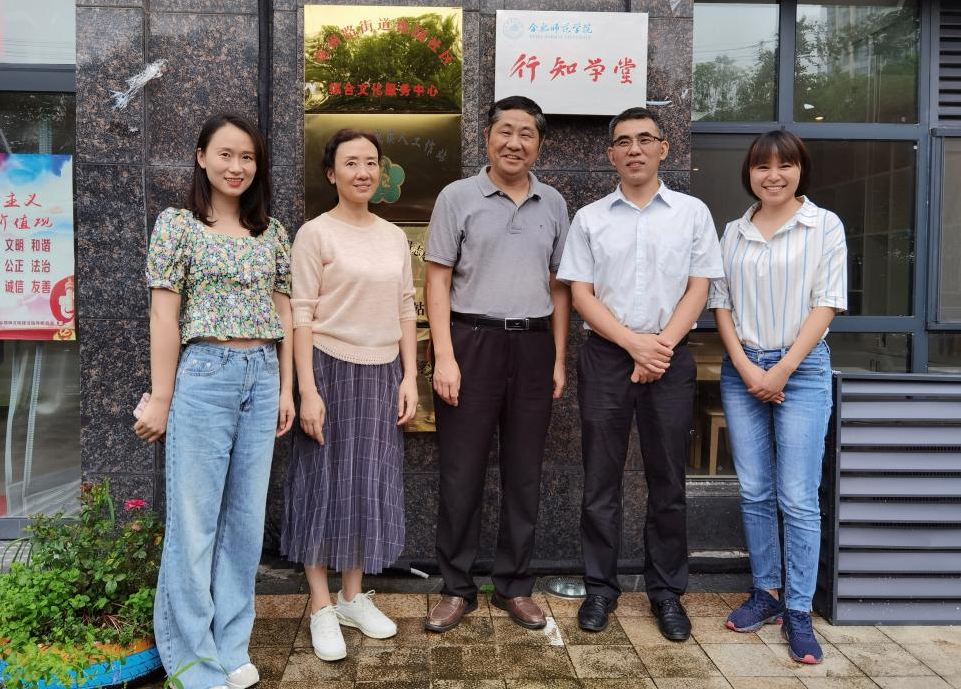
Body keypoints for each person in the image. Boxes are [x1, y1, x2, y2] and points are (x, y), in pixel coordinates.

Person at [135, 112, 295, 689]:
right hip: (204, 375)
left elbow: (284, 312)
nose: (236, 166)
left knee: (245, 523)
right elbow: (164, 314)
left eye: (247, 157)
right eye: (225, 154)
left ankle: (231, 646)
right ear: (202, 157)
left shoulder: (272, 232)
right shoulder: (177, 225)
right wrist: (162, 395)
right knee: (194, 522)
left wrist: (287, 389)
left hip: (262, 375)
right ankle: (190, 660)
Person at [557, 107, 723, 640]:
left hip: (669, 356)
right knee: (600, 482)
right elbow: (580, 293)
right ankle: (599, 590)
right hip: (607, 356)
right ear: (611, 154)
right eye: (624, 141)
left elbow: (700, 286)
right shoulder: (590, 218)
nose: (635, 149)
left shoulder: (692, 213)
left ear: (663, 148)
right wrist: (633, 345)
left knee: (668, 481)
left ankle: (667, 593)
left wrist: (660, 348)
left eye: (645, 139)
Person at [423, 96, 571, 633]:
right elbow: (437, 279)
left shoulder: (553, 203)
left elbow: (559, 285)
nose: (515, 142)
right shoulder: (457, 197)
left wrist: (558, 357)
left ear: (539, 144)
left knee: (524, 473)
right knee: (461, 473)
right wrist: (444, 356)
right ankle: (456, 587)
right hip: (471, 342)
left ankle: (514, 584)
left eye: (526, 133)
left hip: (533, 346)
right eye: (505, 131)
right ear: (486, 137)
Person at [710, 131, 846, 664]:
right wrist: (747, 367)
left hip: (802, 370)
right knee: (755, 491)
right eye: (762, 166)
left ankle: (798, 609)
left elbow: (827, 302)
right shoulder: (734, 231)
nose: (773, 175)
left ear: (800, 170)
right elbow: (720, 302)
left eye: (784, 165)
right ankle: (766, 592)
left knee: (797, 495)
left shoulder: (824, 225)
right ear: (749, 173)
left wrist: (783, 369)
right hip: (743, 367)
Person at [282, 129, 418, 662]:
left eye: (371, 162)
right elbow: (301, 314)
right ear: (331, 173)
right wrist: (307, 390)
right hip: (328, 368)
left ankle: (352, 597)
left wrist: (410, 376)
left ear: (381, 171)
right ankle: (320, 604)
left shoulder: (393, 236)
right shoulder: (315, 234)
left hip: (383, 371)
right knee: (322, 483)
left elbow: (406, 308)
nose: (363, 172)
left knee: (367, 483)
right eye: (351, 163)